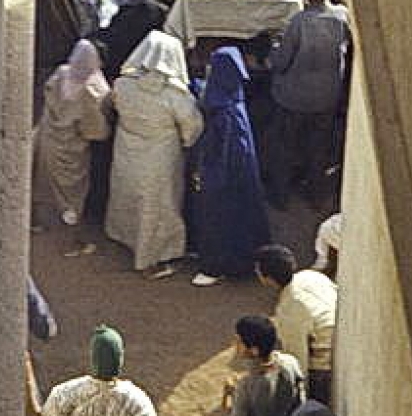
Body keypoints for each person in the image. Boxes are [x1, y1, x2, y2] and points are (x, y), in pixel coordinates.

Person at [106, 31, 204, 279]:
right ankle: (151, 258)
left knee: (127, 194)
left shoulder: (123, 84)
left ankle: (124, 237)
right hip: (160, 157)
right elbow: (192, 129)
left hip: (126, 149)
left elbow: (114, 107)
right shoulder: (176, 96)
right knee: (158, 206)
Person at [264, 0, 349, 209]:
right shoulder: (342, 17)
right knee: (319, 148)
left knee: (284, 146)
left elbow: (281, 62)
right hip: (327, 98)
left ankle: (280, 196)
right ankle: (316, 196)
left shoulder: (299, 22)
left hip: (293, 98)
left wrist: (273, 47)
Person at [189, 47, 271, 286]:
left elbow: (220, 153)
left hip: (225, 179)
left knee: (219, 220)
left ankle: (217, 266)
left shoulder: (224, 112)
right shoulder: (232, 97)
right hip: (239, 174)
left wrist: (207, 178)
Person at [34, 39, 112, 256]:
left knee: (44, 184)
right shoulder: (92, 89)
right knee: (71, 196)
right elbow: (95, 131)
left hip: (48, 140)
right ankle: (69, 243)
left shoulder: (60, 74)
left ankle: (40, 223)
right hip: (72, 150)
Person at [255, 244, 336, 405]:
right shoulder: (311, 275)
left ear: (267, 278)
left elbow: (298, 362)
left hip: (325, 364)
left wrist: (298, 398)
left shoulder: (289, 310)